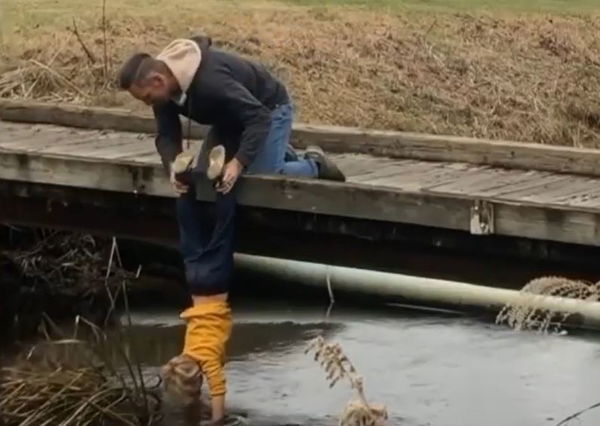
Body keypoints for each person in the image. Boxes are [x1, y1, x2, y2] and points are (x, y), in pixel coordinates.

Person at [117, 35, 345, 425]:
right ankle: (272, 153)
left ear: (157, 79)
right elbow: (167, 135)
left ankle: (311, 164)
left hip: (267, 110)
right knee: (206, 177)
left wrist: (239, 163)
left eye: (145, 97)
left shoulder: (210, 83)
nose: (147, 104)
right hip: (229, 118)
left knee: (259, 177)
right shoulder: (168, 94)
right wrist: (172, 165)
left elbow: (256, 116)